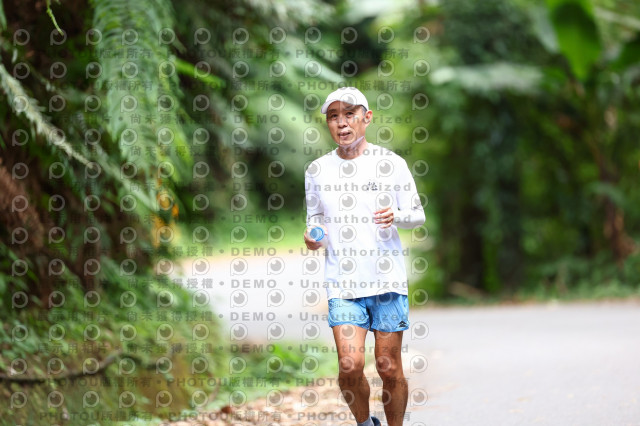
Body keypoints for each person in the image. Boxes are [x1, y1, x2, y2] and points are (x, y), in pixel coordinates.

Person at [303, 87, 426, 426]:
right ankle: (364, 423)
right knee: (349, 366)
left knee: (389, 368)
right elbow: (316, 220)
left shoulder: (391, 164)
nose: (342, 123)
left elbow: (417, 215)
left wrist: (396, 215)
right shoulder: (317, 170)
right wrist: (313, 237)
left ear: (366, 117)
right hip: (342, 283)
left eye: (349, 114)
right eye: (333, 116)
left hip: (387, 281)